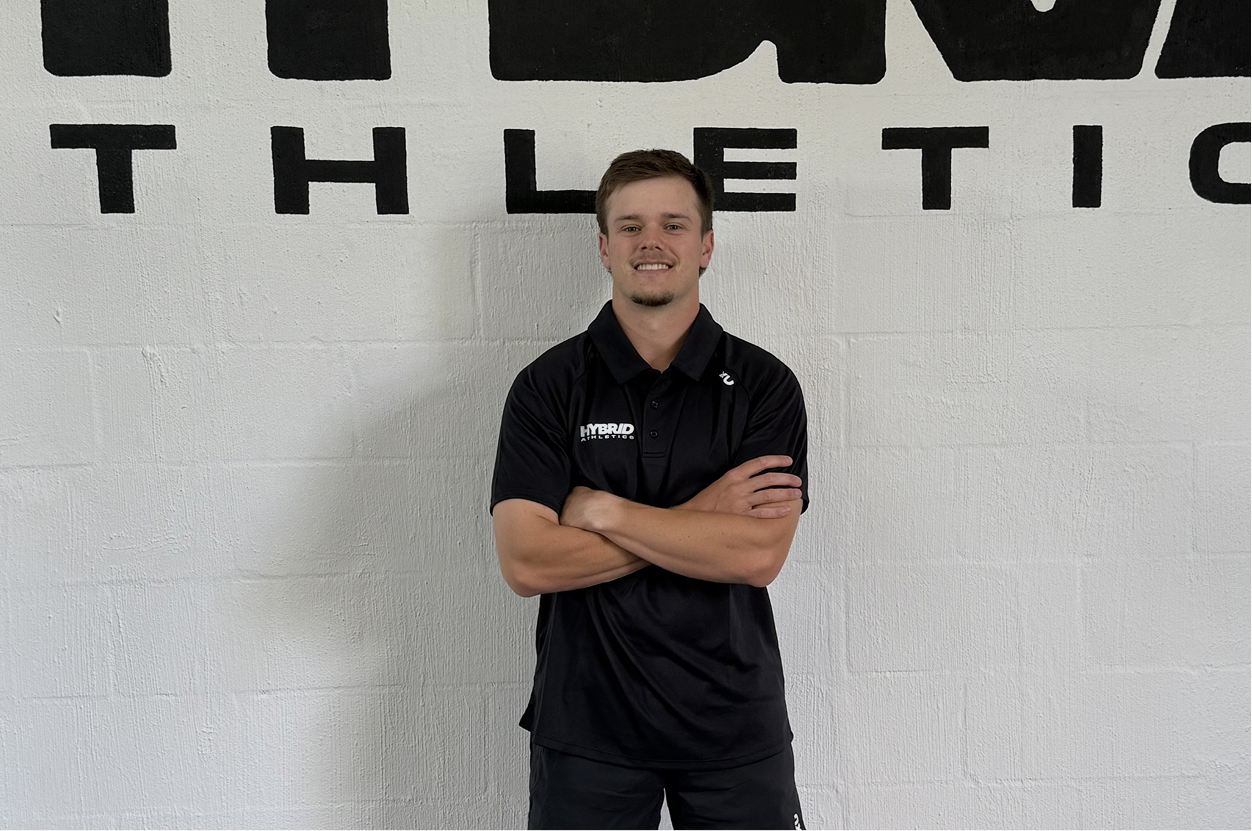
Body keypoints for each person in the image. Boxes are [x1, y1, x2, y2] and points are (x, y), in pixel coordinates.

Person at [489, 148, 810, 831]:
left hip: (733, 728)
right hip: (587, 728)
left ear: (706, 245)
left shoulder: (763, 386)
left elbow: (756, 557)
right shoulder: (547, 387)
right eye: (631, 226)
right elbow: (526, 563)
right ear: (604, 247)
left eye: (673, 224)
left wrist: (602, 509)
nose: (651, 242)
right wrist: (700, 519)